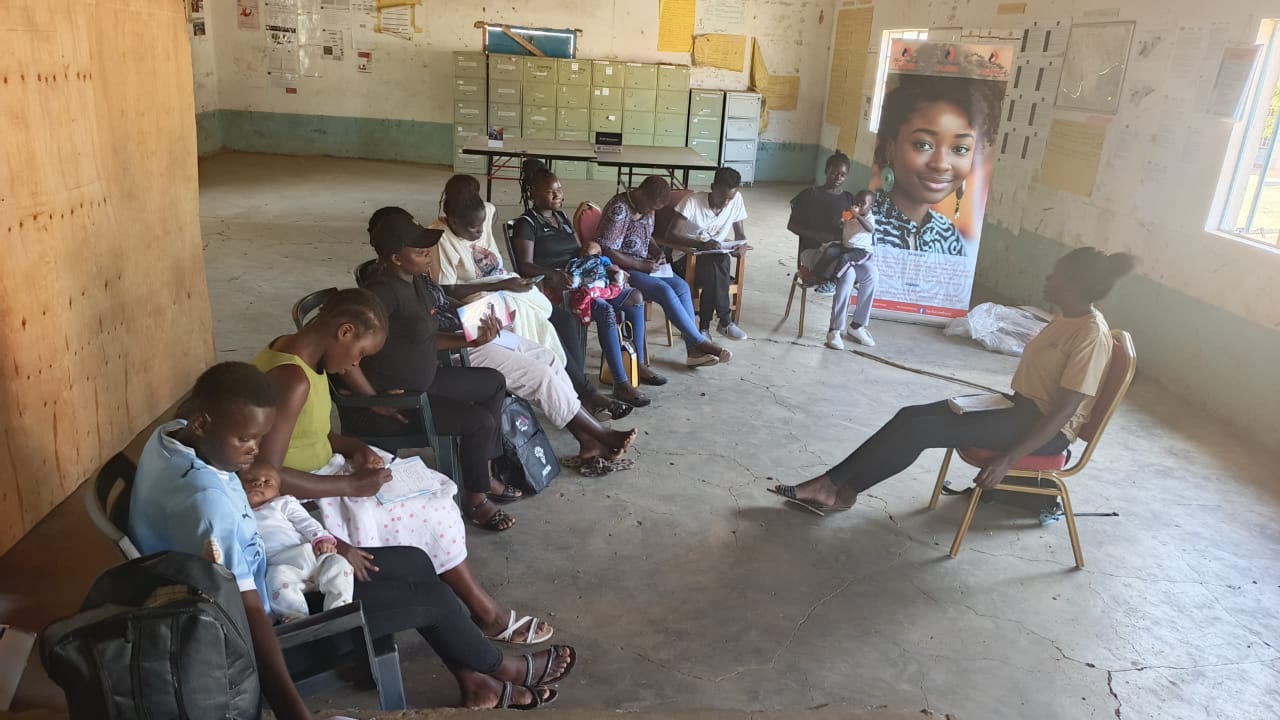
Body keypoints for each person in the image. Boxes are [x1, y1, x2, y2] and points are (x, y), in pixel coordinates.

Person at [130, 362, 574, 715]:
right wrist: (293, 711)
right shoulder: (211, 505)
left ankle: (477, 682)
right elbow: (251, 618)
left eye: (259, 439)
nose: (254, 453)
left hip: (279, 568)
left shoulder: (170, 436)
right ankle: (499, 669)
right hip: (285, 622)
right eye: (245, 439)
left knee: (416, 562)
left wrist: (330, 543)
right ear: (204, 421)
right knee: (432, 600)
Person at [251, 288, 559, 647]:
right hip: (300, 494)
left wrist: (355, 447)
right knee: (432, 511)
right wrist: (350, 487)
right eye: (360, 354)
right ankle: (484, 612)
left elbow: (307, 433)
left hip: (325, 470)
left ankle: (463, 603)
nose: (354, 366)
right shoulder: (293, 380)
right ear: (345, 331)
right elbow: (265, 478)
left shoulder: (299, 353)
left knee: (431, 486)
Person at [771, 247, 1135, 513]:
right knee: (910, 416)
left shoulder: (1090, 335)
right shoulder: (1067, 317)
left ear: (1073, 286)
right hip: (1020, 407)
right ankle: (836, 487)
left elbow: (1064, 413)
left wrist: (1009, 460)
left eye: (1055, 275)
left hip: (1044, 428)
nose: (1048, 279)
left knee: (919, 431)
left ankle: (834, 489)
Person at [347, 208, 638, 481]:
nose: (428, 254)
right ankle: (601, 434)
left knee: (546, 356)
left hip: (467, 332)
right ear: (395, 257)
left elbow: (440, 301)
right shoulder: (384, 292)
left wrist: (476, 311)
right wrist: (372, 393)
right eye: (419, 250)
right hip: (456, 350)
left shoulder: (413, 277)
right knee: (539, 376)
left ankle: (587, 440)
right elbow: (374, 344)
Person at [512, 164, 661, 408]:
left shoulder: (560, 217)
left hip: (580, 275)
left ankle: (638, 363)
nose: (559, 195)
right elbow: (525, 265)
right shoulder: (527, 224)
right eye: (551, 192)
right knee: (604, 309)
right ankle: (621, 383)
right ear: (534, 195)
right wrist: (552, 273)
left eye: (559, 189)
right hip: (558, 285)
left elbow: (578, 250)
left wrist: (594, 252)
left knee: (634, 296)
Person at [596, 176, 732, 368]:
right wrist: (639, 265)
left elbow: (647, 235)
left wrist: (658, 251)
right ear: (641, 193)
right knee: (664, 291)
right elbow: (606, 249)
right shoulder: (619, 209)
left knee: (682, 286)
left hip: (645, 263)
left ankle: (692, 351)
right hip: (621, 269)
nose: (651, 211)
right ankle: (699, 342)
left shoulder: (647, 208)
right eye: (651, 206)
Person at [430, 176, 567, 365]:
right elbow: (446, 290)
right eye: (473, 228)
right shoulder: (441, 238)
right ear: (453, 222)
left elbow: (491, 213)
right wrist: (503, 284)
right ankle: (542, 369)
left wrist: (506, 284)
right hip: (478, 297)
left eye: (482, 226)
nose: (480, 232)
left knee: (562, 320)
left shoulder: (482, 213)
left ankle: (574, 383)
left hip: (502, 286)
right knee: (526, 322)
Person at [872, 75, 1003, 255]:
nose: (941, 164)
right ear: (890, 148)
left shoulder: (949, 238)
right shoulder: (863, 224)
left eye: (960, 148)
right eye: (923, 145)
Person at [241, 464, 354, 622]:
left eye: (268, 482)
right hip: (281, 566)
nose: (258, 483)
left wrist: (320, 538)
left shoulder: (282, 503)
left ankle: (339, 608)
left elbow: (305, 522)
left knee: (340, 564)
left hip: (313, 557)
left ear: (277, 492)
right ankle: (296, 617)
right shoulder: (240, 515)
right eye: (250, 481)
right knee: (275, 580)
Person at [666, 167, 752, 341]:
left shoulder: (736, 200)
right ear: (712, 187)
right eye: (722, 197)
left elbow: (740, 236)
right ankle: (724, 321)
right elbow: (671, 234)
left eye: (730, 198)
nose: (726, 202)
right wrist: (700, 244)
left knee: (718, 263)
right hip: (686, 258)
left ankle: (704, 327)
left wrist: (742, 246)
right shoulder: (692, 202)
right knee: (718, 269)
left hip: (714, 259)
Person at [801, 188, 879, 350]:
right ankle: (834, 330)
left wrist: (852, 216)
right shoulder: (812, 196)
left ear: (870, 206)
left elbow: (868, 229)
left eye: (861, 203)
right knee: (848, 274)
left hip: (854, 252)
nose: (856, 205)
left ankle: (857, 326)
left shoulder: (861, 213)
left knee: (872, 273)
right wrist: (841, 220)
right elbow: (837, 227)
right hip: (830, 252)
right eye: (856, 202)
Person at [788, 152, 855, 296]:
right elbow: (792, 225)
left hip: (839, 250)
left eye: (842, 175)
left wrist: (844, 224)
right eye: (834, 173)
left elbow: (849, 220)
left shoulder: (847, 199)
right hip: (812, 251)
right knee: (847, 275)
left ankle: (856, 318)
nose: (838, 178)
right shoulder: (810, 195)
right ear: (826, 171)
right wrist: (817, 235)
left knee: (868, 273)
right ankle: (838, 318)